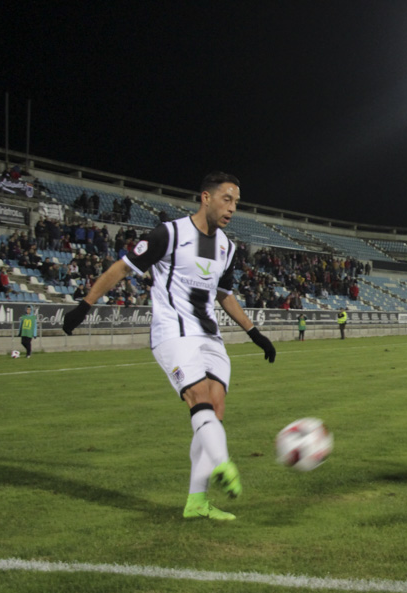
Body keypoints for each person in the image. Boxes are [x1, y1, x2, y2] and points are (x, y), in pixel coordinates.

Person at [62, 172, 276, 522]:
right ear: (205, 198)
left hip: (210, 337)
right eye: (227, 199)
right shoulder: (169, 233)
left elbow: (223, 294)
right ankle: (223, 463)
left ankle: (197, 502)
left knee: (215, 409)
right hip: (173, 334)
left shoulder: (228, 247)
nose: (232, 208)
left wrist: (254, 333)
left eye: (236, 202)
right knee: (199, 400)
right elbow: (123, 267)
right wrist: (85, 305)